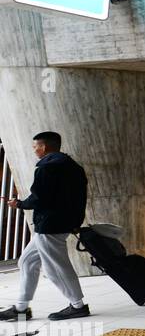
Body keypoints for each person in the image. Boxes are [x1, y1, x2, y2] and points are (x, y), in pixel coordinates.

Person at [0, 132, 91, 321]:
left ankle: (78, 306)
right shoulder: (73, 166)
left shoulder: (47, 167)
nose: (34, 150)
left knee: (55, 268)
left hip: (50, 225)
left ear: (44, 147)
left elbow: (39, 198)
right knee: (27, 262)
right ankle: (21, 309)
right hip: (63, 222)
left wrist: (19, 204)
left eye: (35, 147)